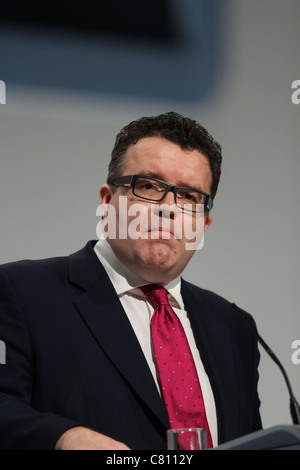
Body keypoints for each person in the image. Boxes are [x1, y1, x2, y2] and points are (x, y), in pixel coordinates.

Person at [0, 112, 262, 450]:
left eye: (189, 196)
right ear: (107, 202)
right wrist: (64, 439)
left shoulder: (232, 326)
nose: (169, 208)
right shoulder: (24, 292)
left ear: (205, 223)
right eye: (149, 186)